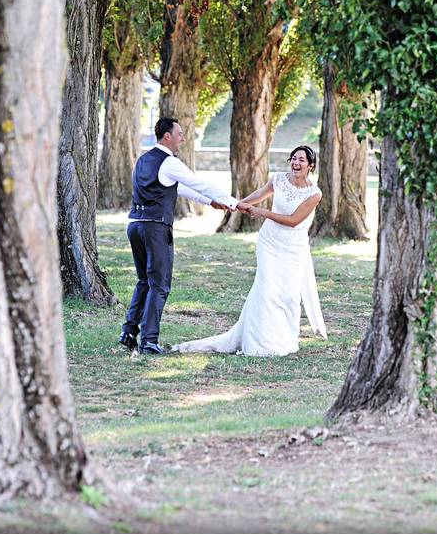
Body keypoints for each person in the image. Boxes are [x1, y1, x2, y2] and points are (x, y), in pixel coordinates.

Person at [173, 145, 327, 357]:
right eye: (293, 158)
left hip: (293, 249)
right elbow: (259, 194)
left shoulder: (314, 194)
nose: (295, 163)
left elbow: (293, 221)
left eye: (301, 160)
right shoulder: (278, 179)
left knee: (289, 295)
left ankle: (284, 338)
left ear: (310, 166)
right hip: (269, 242)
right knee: (267, 289)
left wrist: (262, 212)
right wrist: (235, 204)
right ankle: (260, 342)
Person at [119, 117, 251, 359]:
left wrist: (210, 202)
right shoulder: (169, 162)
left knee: (144, 282)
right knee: (159, 285)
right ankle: (149, 340)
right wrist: (234, 202)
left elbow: (175, 188)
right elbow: (198, 182)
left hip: (135, 225)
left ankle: (128, 333)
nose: (182, 137)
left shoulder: (144, 160)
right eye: (179, 133)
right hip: (156, 228)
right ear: (166, 136)